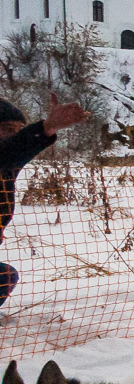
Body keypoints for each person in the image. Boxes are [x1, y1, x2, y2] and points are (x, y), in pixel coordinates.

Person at [0, 93, 89, 307]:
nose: (15, 136)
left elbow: (17, 151)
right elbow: (13, 149)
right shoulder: (6, 156)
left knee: (5, 277)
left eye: (18, 130)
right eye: (8, 129)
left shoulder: (8, 166)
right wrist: (46, 127)